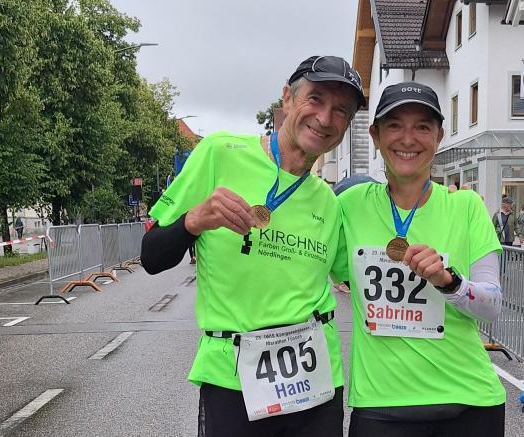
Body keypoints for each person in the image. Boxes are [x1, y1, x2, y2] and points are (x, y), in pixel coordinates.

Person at [140, 55, 365, 437]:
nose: (325, 118)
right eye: (316, 99)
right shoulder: (219, 153)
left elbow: (358, 277)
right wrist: (193, 221)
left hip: (315, 383)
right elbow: (151, 256)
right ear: (287, 99)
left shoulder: (329, 202)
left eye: (341, 111)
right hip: (234, 380)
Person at [334, 82, 506, 436]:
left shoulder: (466, 205)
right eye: (394, 125)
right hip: (381, 405)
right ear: (376, 136)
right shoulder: (350, 206)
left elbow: (492, 305)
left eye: (422, 127)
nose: (407, 139)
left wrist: (449, 282)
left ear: (439, 136)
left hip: (468, 401)